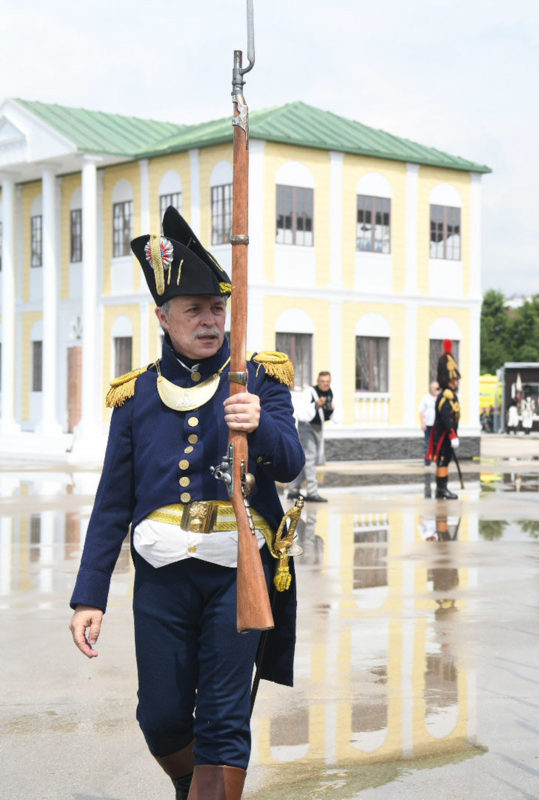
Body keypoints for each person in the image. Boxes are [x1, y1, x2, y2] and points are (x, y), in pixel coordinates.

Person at [67, 206, 303, 800]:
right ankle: (190, 784)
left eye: (217, 308)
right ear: (163, 316)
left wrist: (261, 427)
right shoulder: (136, 396)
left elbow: (292, 464)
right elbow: (111, 502)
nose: (209, 321)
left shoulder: (259, 381)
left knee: (224, 719)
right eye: (194, 310)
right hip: (162, 576)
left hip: (236, 568)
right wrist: (89, 595)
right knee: (163, 717)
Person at [286, 371, 333, 503]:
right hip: (306, 427)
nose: (325, 384)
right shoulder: (309, 392)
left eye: (327, 382)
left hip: (318, 428)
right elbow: (302, 412)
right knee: (310, 458)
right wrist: (317, 404)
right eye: (323, 382)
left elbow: (329, 412)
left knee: (308, 459)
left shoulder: (329, 393)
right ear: (318, 381)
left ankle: (293, 489)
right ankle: (312, 492)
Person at [427, 342, 462, 500]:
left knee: (445, 460)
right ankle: (441, 489)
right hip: (443, 436)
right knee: (442, 461)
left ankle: (443, 488)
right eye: (455, 380)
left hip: (447, 436)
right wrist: (452, 435)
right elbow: (447, 418)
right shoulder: (445, 397)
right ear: (448, 381)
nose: (457, 382)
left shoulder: (450, 395)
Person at [419, 381, 438, 465]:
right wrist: (422, 423)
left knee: (437, 443)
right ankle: (427, 462)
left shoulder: (440, 398)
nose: (437, 390)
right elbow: (421, 411)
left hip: (438, 425)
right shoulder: (426, 398)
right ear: (431, 389)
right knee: (428, 443)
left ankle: (437, 461)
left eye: (438, 388)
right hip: (428, 425)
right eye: (435, 388)